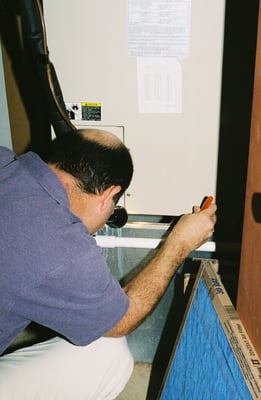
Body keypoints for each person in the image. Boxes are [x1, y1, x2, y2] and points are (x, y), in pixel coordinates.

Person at [0, 128, 217, 399]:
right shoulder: (64, 247)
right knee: (108, 355)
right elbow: (120, 321)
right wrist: (179, 244)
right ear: (110, 195)